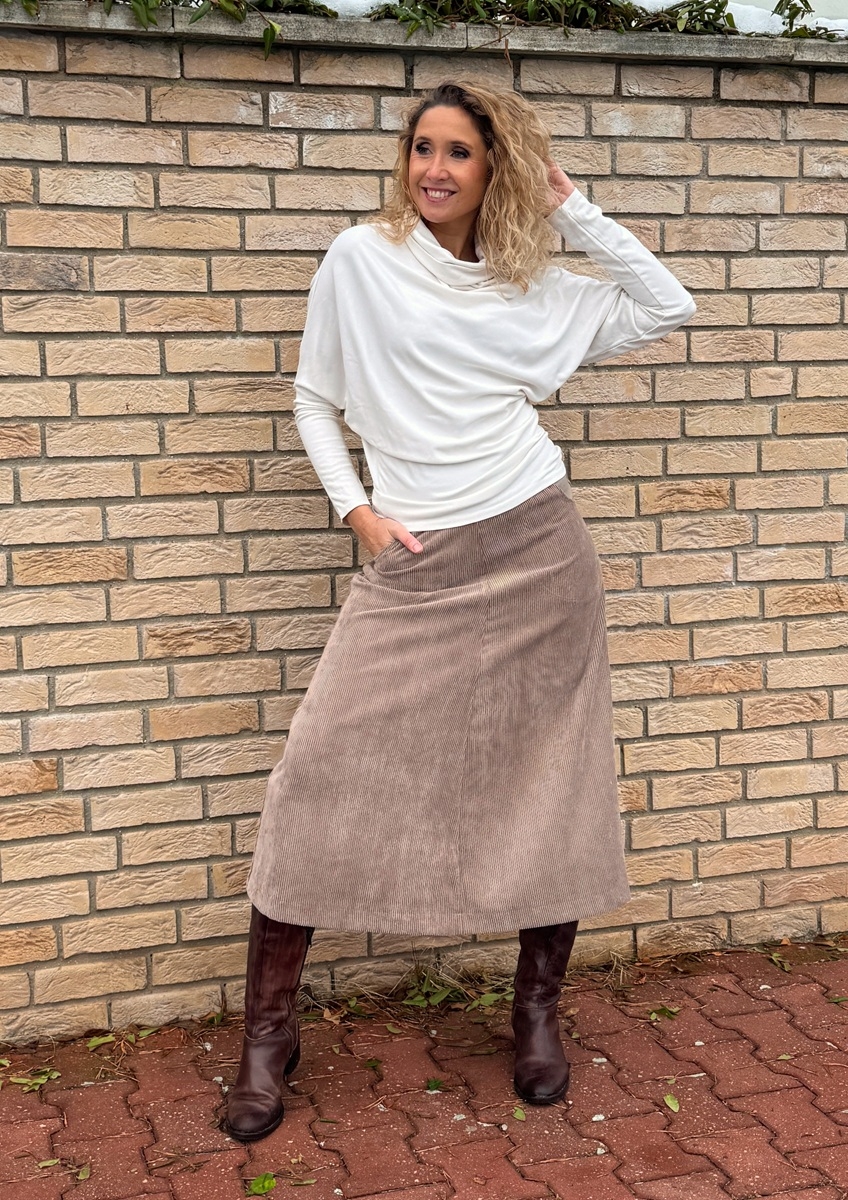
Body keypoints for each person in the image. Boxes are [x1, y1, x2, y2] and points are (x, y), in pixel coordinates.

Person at [223, 80, 696, 1143]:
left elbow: (667, 304)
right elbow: (314, 397)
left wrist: (573, 209)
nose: (434, 170)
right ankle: (268, 1038)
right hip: (416, 561)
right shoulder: (361, 260)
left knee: (549, 785)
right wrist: (357, 511)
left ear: (495, 169)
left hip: (538, 551)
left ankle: (536, 1016)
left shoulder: (533, 286)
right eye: (421, 148)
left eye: (459, 153)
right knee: (317, 776)